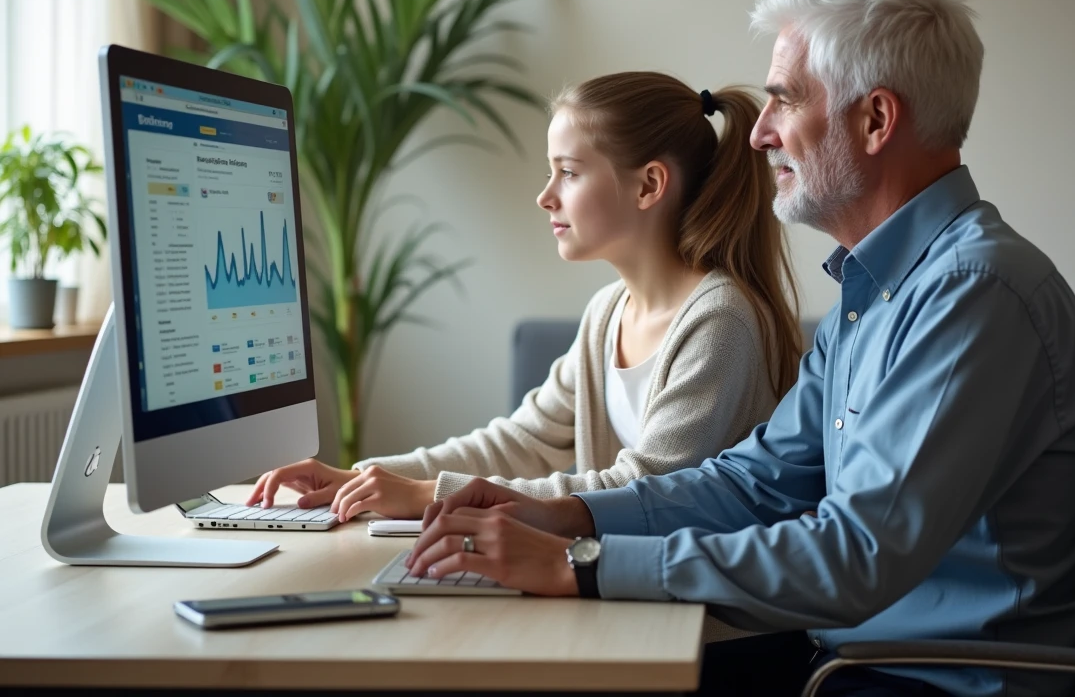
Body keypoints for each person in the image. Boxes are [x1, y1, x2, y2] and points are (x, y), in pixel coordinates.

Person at [405, 0, 1075, 697]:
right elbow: (756, 482)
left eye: (785, 99)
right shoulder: (874, 293)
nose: (759, 134)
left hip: (924, 683)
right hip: (845, 661)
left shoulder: (971, 295)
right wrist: (568, 515)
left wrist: (583, 562)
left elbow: (856, 556)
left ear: (876, 120)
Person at [249, 72, 805, 523]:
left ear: (648, 185)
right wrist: (365, 477)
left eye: (568, 173)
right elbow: (521, 441)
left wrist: (427, 496)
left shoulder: (720, 322)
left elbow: (646, 488)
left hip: (704, 623)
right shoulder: (607, 312)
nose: (545, 196)